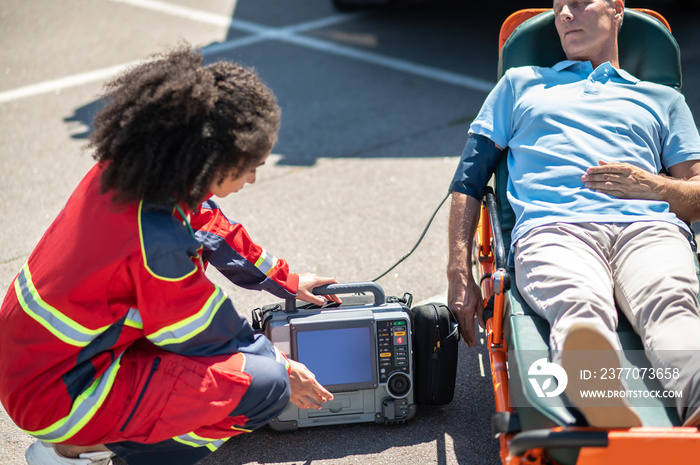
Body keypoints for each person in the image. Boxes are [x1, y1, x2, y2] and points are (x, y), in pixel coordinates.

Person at [0, 46, 341, 465]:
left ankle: (98, 437)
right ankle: (82, 449)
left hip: (37, 363)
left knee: (238, 370)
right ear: (211, 160)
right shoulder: (154, 241)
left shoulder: (134, 171)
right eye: (251, 165)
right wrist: (285, 366)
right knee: (264, 385)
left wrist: (285, 279)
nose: (253, 178)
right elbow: (211, 336)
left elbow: (210, 222)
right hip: (60, 396)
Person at [447, 0, 700, 428]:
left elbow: (695, 194)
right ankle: (601, 395)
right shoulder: (519, 84)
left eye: (579, 3)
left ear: (617, 9)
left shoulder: (661, 98)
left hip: (649, 228)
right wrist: (458, 274)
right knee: (579, 301)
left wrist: (652, 187)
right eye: (559, 5)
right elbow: (468, 181)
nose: (565, 14)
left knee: (670, 302)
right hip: (555, 228)